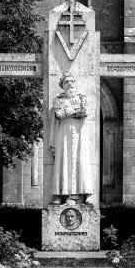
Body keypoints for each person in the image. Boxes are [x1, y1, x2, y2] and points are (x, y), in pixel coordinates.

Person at [49, 75, 92, 205]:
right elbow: (59, 114)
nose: (70, 84)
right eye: (66, 82)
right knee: (64, 161)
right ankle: (61, 194)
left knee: (81, 161)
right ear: (62, 85)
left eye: (72, 81)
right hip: (64, 133)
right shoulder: (58, 100)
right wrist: (74, 110)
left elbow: (84, 112)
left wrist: (69, 111)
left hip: (80, 132)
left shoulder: (81, 97)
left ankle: (85, 193)